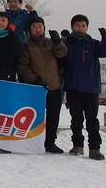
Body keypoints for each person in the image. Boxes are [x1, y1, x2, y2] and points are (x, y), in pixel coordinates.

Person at [63, 14, 106, 160]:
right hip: (73, 88)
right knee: (76, 120)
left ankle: (95, 148)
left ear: (87, 27)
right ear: (72, 27)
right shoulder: (67, 44)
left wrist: (105, 39)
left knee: (92, 120)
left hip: (91, 88)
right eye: (77, 25)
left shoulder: (94, 44)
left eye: (83, 26)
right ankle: (77, 145)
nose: (80, 28)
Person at [17, 17, 68, 154]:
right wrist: (35, 80)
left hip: (54, 86)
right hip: (36, 88)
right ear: (30, 29)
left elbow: (62, 53)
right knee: (35, 116)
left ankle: (50, 142)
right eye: (34, 27)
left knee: (53, 116)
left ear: (44, 27)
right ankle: (33, 141)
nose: (38, 29)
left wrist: (58, 42)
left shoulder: (51, 42)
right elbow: (22, 66)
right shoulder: (26, 45)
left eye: (40, 26)